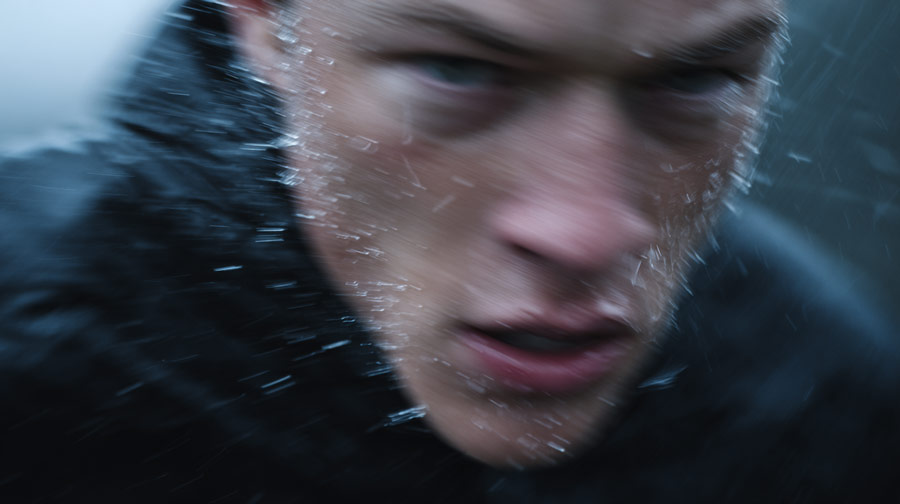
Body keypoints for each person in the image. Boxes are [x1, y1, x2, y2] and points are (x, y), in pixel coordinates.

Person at [0, 0, 896, 502]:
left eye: (694, 80)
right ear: (267, 24)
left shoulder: (822, 400)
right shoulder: (30, 361)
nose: (587, 232)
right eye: (458, 72)